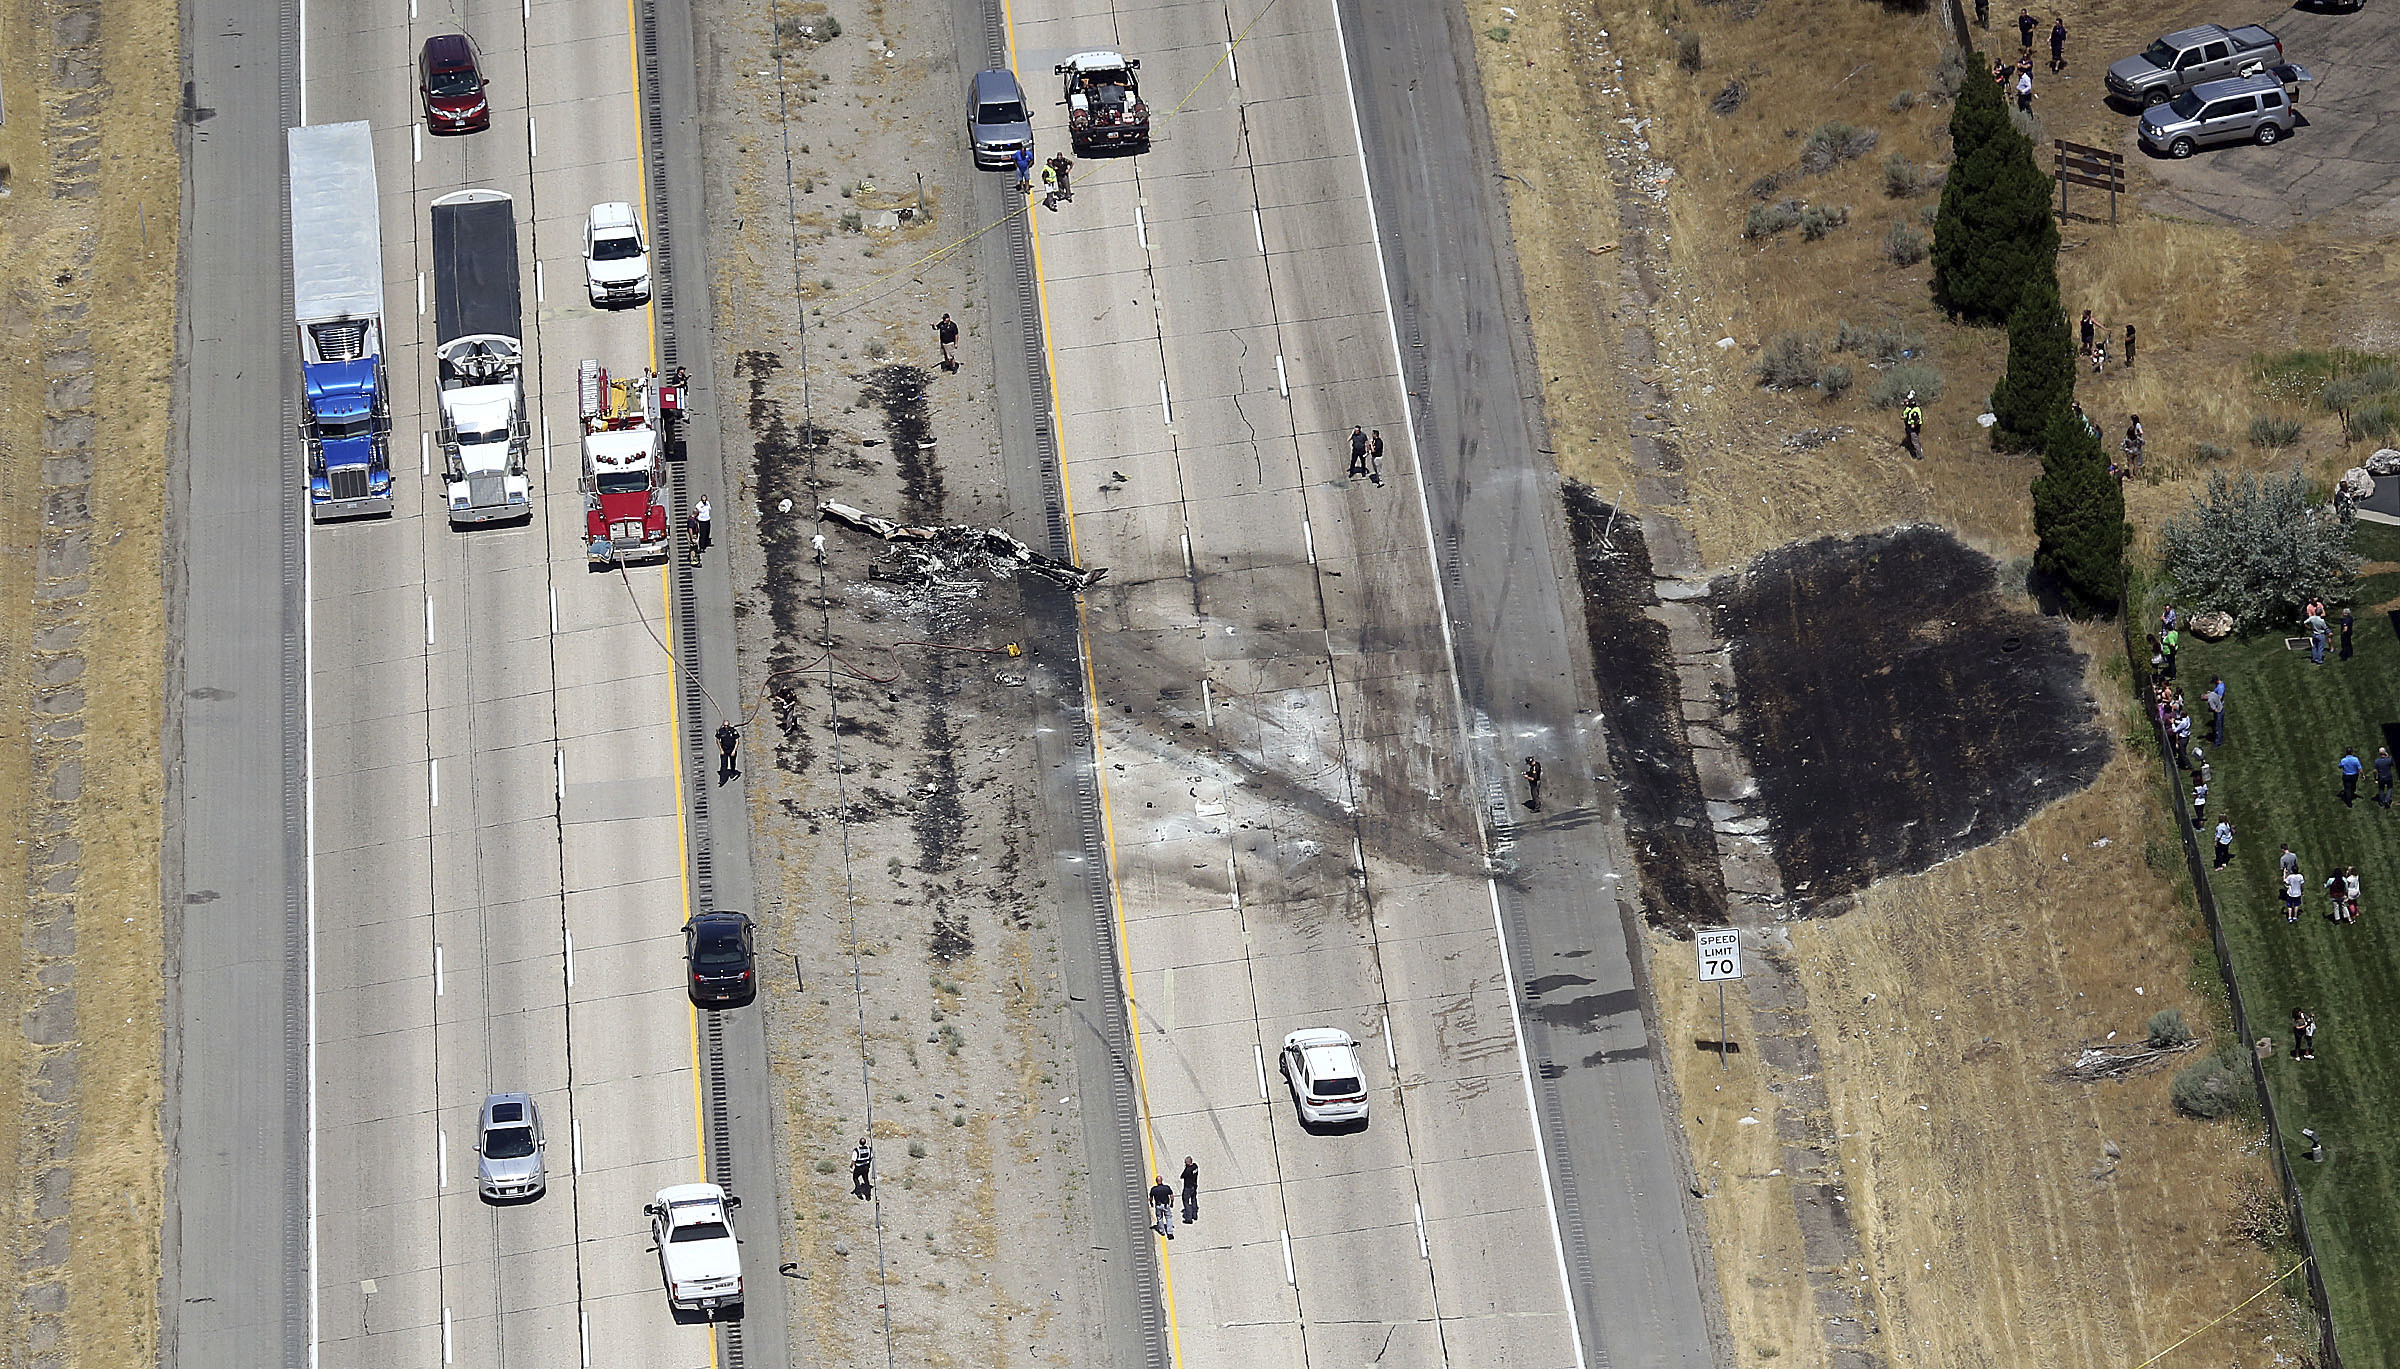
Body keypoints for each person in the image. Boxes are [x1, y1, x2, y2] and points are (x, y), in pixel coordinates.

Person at [1901, 392, 1924, 460]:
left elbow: (1917, 419)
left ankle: (1919, 456)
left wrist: (1913, 425)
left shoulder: (1914, 410)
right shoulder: (1910, 409)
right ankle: (1915, 451)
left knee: (1914, 440)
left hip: (1913, 428)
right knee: (1912, 439)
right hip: (1909, 427)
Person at [1180, 1157, 1200, 1224]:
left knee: (1186, 1201)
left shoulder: (1188, 1170)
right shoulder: (1195, 1166)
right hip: (1194, 1186)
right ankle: (1195, 1214)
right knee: (1194, 1199)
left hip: (1188, 1187)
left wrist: (1186, 1168)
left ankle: (1189, 1218)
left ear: (1188, 1163)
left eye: (1185, 1163)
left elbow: (1182, 1176)